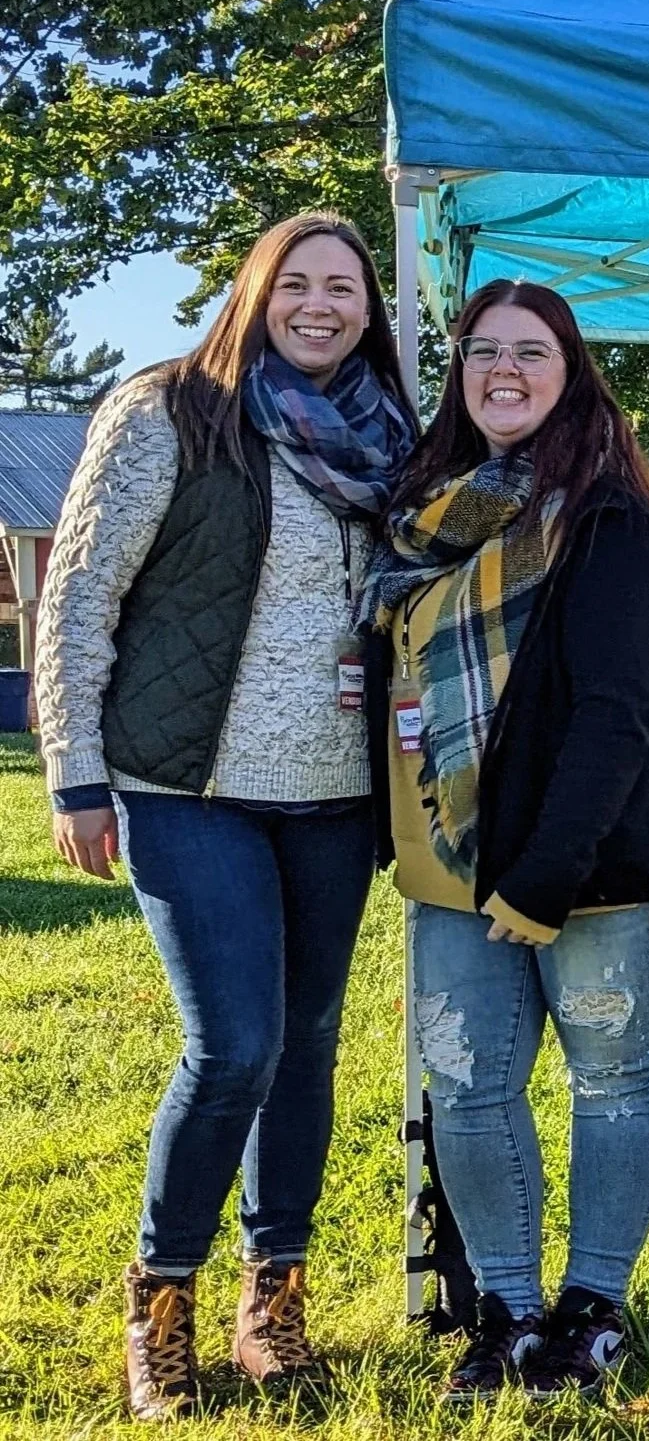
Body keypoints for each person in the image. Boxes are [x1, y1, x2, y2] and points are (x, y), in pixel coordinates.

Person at [36, 213, 418, 1421]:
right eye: (296, 283)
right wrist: (73, 773)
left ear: (368, 309)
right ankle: (160, 1307)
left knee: (306, 1047)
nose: (320, 305)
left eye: (343, 287)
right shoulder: (170, 411)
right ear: (255, 292)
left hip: (335, 794)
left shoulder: (392, 438)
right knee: (235, 1046)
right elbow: (79, 594)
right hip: (185, 785)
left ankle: (274, 1301)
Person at [361, 280, 649, 1402]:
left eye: (530, 352)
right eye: (482, 352)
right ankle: (507, 1312)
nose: (503, 371)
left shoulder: (610, 525)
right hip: (450, 866)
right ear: (459, 374)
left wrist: (546, 875)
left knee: (609, 1078)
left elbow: (616, 716)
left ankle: (591, 1309)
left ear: (571, 373)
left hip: (592, 867)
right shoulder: (428, 519)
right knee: (468, 1085)